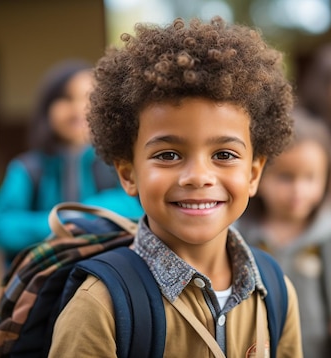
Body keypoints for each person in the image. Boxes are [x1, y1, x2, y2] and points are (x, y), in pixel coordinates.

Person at [49, 17, 303, 357]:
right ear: (128, 173)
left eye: (224, 154)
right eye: (168, 154)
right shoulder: (101, 307)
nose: (198, 176)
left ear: (254, 173)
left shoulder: (275, 290)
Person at [237, 114, 331, 358]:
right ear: (257, 174)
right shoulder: (240, 236)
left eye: (310, 177)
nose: (299, 190)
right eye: (285, 177)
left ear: (327, 178)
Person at [0, 60, 143, 263]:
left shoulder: (116, 163)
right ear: (47, 107)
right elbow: (1, 227)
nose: (78, 108)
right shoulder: (27, 168)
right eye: (67, 98)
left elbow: (135, 208)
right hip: (45, 281)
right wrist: (64, 221)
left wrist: (73, 217)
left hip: (106, 274)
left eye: (89, 98)